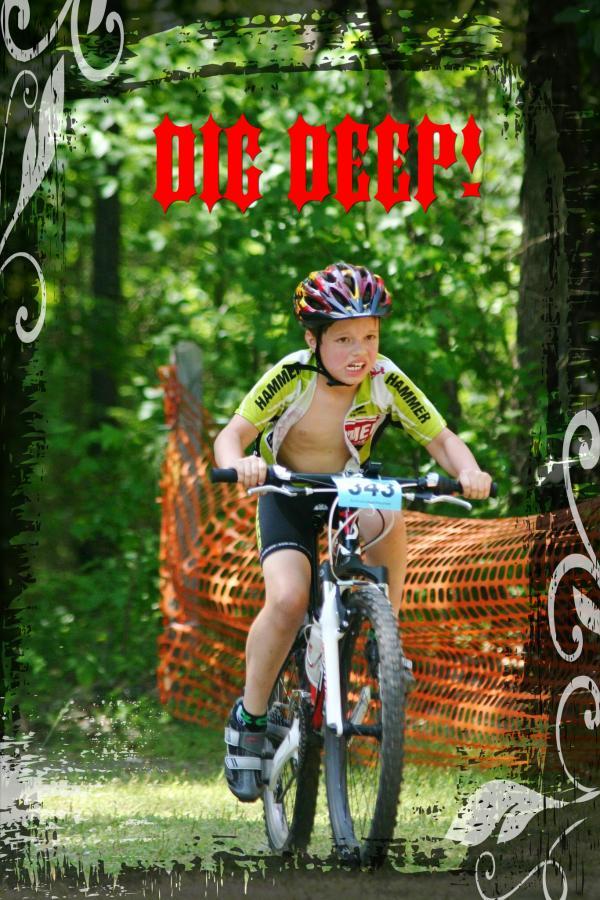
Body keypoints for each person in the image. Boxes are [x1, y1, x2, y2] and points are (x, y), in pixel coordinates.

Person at [213, 261, 492, 802]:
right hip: (287, 492)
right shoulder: (291, 375)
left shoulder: (385, 378)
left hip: (347, 490)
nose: (359, 350)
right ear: (313, 340)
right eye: (343, 339)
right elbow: (233, 434)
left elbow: (441, 439)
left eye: (369, 336)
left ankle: (387, 637)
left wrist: (469, 470)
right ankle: (249, 718)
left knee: (387, 508)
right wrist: (240, 463)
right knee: (288, 599)